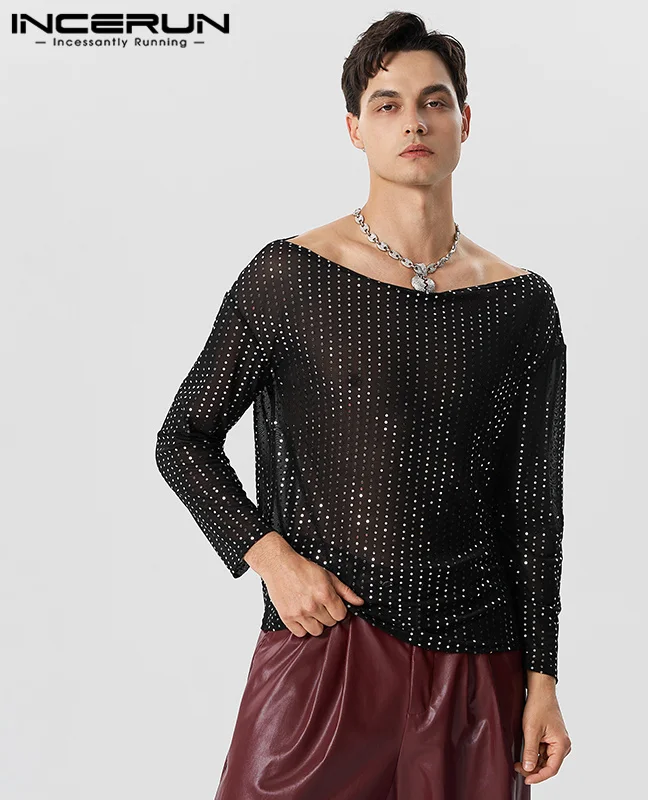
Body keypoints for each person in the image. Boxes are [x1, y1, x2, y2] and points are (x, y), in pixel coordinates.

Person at [155, 10, 572, 799]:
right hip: (327, 647)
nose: (414, 121)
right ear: (355, 128)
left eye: (434, 101)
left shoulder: (522, 305)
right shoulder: (290, 278)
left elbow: (533, 508)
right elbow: (183, 437)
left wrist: (543, 677)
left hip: (478, 665)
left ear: (465, 121)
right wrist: (270, 558)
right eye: (388, 104)